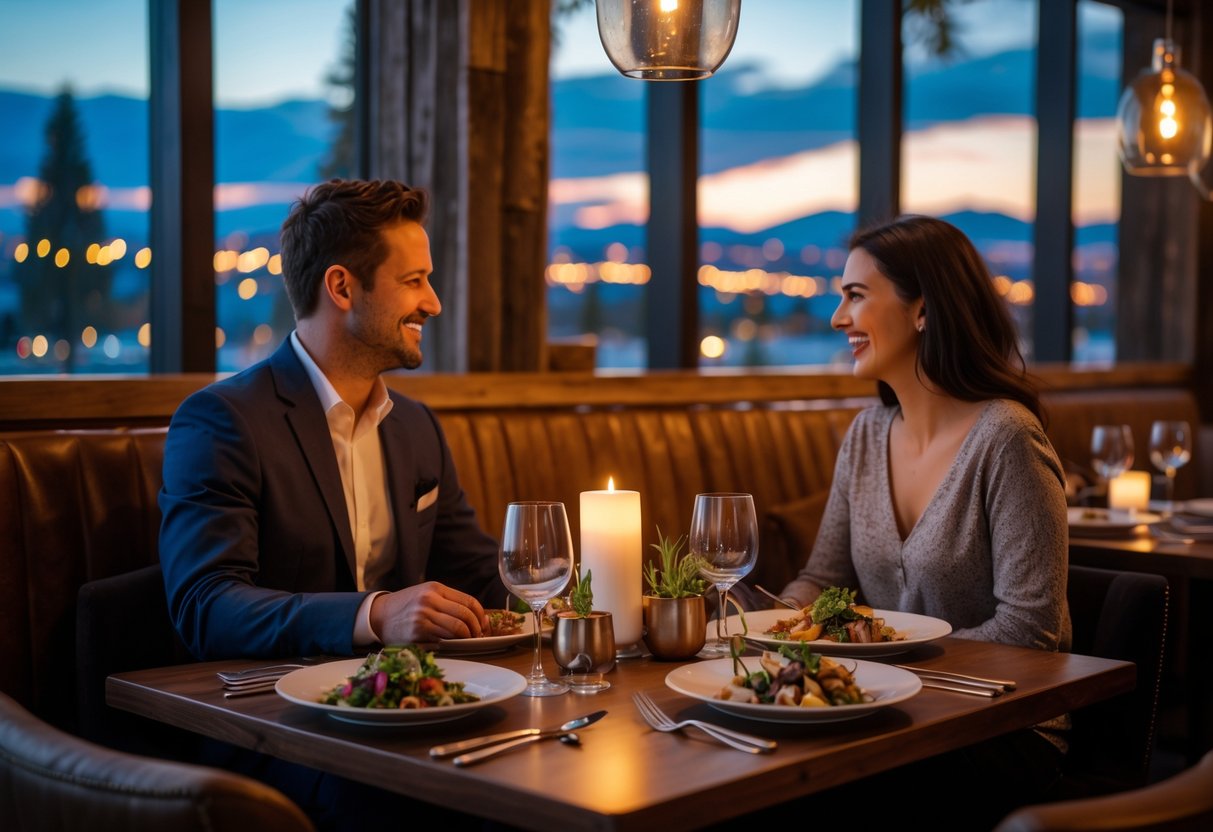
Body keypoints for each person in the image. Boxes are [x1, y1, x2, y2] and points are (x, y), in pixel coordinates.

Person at [771, 214, 1071, 826]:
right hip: (887, 716)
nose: (837, 318)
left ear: (923, 311)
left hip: (1003, 726)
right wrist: (770, 626)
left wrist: (881, 661)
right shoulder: (865, 435)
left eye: (856, 296)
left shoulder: (1007, 439)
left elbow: (1030, 631)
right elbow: (823, 578)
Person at [159, 179, 505, 662]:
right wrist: (375, 615)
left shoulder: (417, 427)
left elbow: (475, 574)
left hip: (408, 697)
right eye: (413, 281)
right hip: (276, 702)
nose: (433, 303)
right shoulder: (221, 422)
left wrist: (574, 597)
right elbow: (207, 606)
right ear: (342, 287)